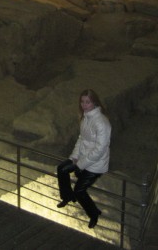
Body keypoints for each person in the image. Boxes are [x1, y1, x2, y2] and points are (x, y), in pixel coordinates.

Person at [56, 89, 111, 229]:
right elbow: (81, 139)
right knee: (61, 169)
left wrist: (80, 164)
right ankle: (67, 197)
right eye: (82, 102)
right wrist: (74, 157)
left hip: (96, 164)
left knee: (79, 190)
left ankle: (94, 214)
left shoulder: (101, 122)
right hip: (83, 158)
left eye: (87, 102)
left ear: (94, 103)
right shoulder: (86, 117)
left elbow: (99, 150)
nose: (84, 105)